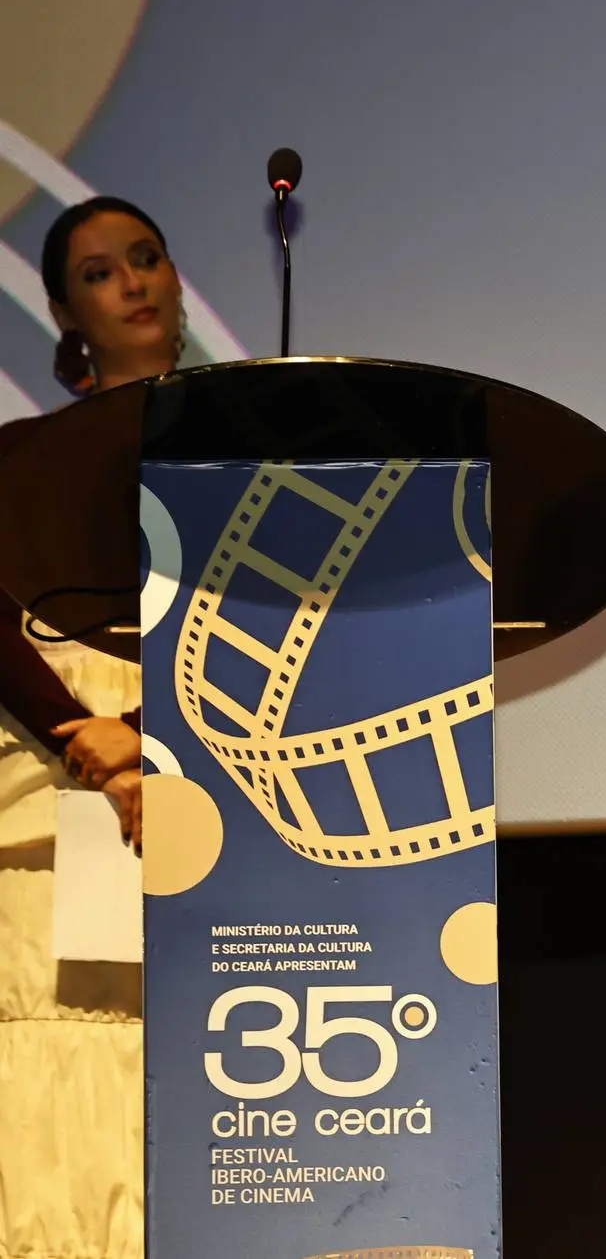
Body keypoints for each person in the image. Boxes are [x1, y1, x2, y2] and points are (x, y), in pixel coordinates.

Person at [0, 194, 185, 1259]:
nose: (133, 283)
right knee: (58, 1066)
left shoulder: (256, 462)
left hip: (217, 780)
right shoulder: (20, 457)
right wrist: (91, 740)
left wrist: (152, 730)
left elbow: (285, 622)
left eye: (146, 258)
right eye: (99, 272)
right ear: (67, 316)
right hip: (53, 780)